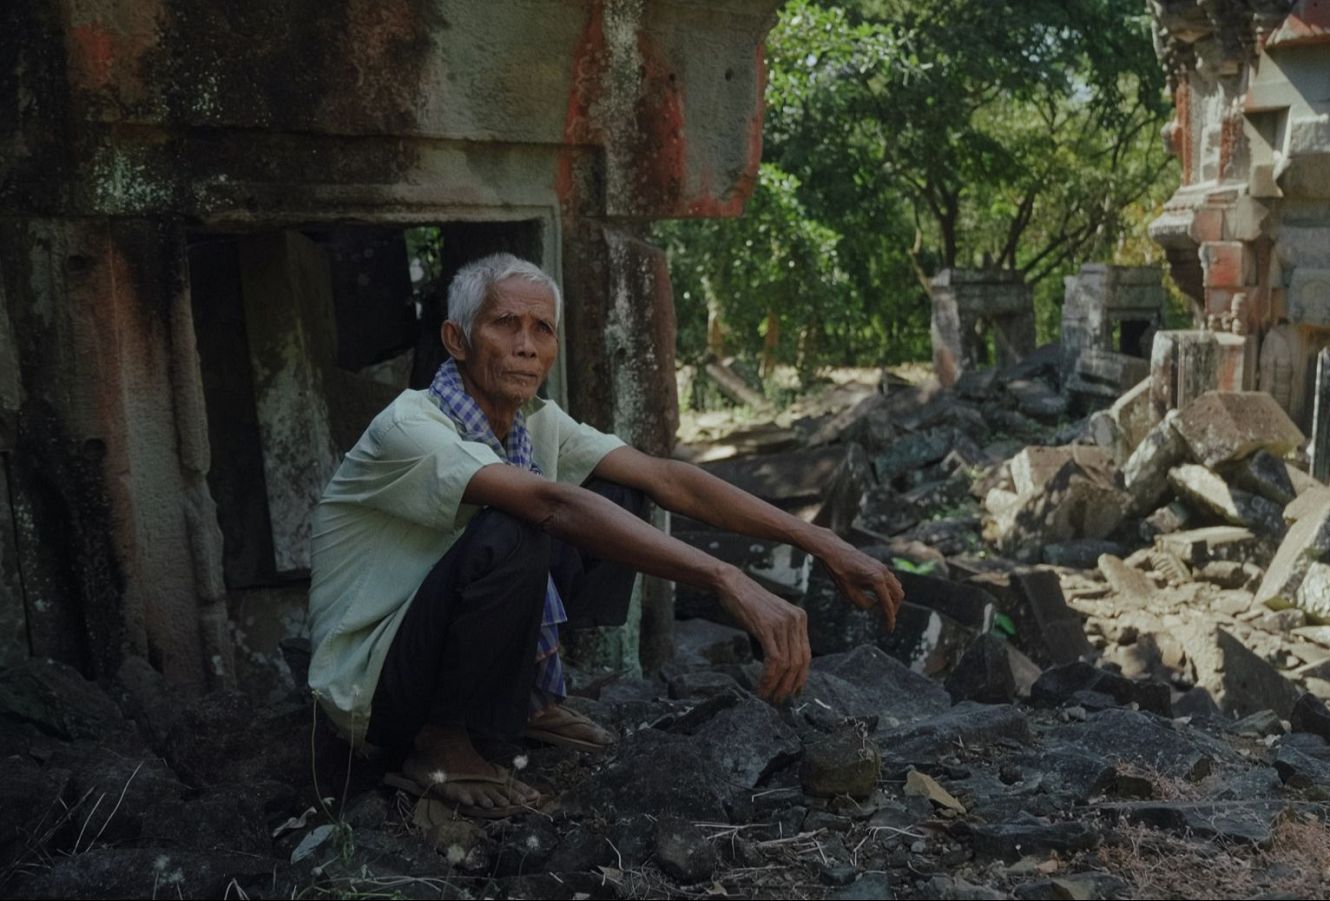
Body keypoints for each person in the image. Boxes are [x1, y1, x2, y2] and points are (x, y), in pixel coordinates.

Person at [307, 253, 904, 813]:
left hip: (439, 645)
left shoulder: (535, 422)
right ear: (456, 340)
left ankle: (526, 705)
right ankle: (440, 745)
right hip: (377, 689)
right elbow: (549, 504)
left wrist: (822, 541)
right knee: (528, 520)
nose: (525, 346)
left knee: (619, 491)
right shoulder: (409, 426)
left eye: (541, 329)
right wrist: (727, 577)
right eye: (505, 325)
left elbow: (671, 480)